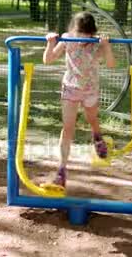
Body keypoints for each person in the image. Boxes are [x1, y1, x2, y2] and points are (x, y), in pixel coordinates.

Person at [42, 11, 116, 189]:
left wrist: (106, 47)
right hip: (71, 88)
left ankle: (97, 136)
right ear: (73, 30)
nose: (83, 38)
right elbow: (48, 60)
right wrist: (51, 43)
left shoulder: (95, 43)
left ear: (92, 32)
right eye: (80, 33)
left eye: (88, 34)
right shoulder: (67, 40)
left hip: (90, 90)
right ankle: (61, 170)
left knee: (92, 119)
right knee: (68, 128)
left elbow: (111, 64)